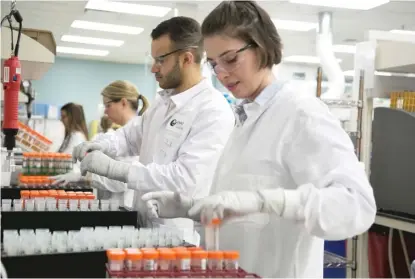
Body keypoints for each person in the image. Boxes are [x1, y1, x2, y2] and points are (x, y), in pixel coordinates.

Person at [141, 1, 377, 277]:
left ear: (262, 46)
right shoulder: (244, 116)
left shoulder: (301, 113)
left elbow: (356, 205)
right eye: (214, 64)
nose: (222, 74)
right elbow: (244, 208)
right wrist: (193, 207)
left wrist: (266, 201)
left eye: (230, 59)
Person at [72, 16, 235, 237]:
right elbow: (129, 137)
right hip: (143, 226)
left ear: (186, 59)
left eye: (160, 60)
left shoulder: (212, 110)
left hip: (178, 237)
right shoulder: (163, 103)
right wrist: (98, 145)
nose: (153, 68)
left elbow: (185, 179)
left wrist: (114, 169)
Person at [52, 80, 148, 208]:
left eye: (108, 105)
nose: (105, 112)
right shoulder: (120, 134)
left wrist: (86, 178)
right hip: (109, 203)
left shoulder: (137, 135)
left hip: (124, 205)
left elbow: (126, 180)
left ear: (123, 103)